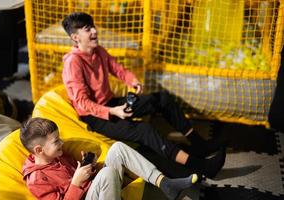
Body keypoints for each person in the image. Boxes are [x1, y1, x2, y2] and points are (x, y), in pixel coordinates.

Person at [61, 12, 226, 179]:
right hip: (95, 116)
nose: (95, 31)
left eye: (93, 27)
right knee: (145, 131)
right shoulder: (73, 62)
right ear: (76, 37)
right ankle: (201, 167)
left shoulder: (99, 51)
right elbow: (82, 102)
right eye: (88, 29)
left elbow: (118, 69)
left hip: (112, 103)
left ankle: (200, 145)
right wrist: (113, 112)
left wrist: (133, 81)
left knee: (161, 98)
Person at [21, 117, 198, 200]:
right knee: (107, 174)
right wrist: (75, 183)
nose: (62, 142)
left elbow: (88, 183)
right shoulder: (37, 180)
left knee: (118, 148)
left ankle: (164, 183)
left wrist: (90, 167)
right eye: (56, 141)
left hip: (94, 192)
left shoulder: (58, 156)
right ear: (39, 150)